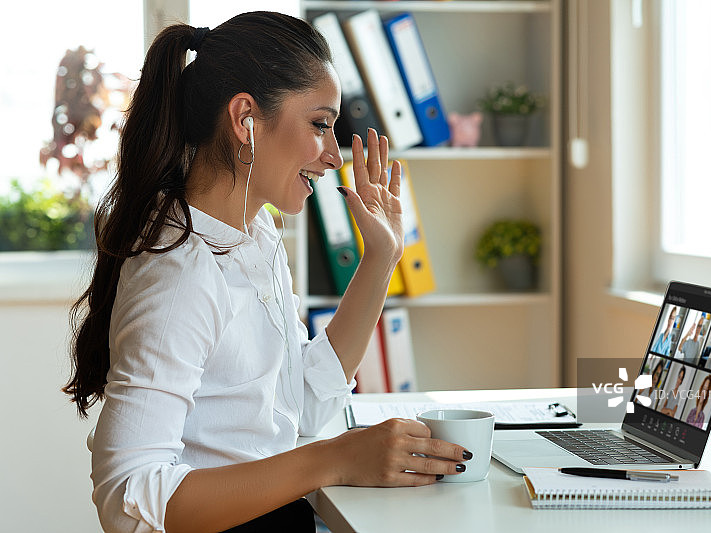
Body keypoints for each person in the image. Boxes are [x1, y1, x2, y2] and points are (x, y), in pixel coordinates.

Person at [62, 13, 470, 533]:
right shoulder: (181, 271)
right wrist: (334, 459)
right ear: (245, 119)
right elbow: (127, 498)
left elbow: (298, 407)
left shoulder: (257, 235)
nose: (331, 155)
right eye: (320, 124)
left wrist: (381, 257)